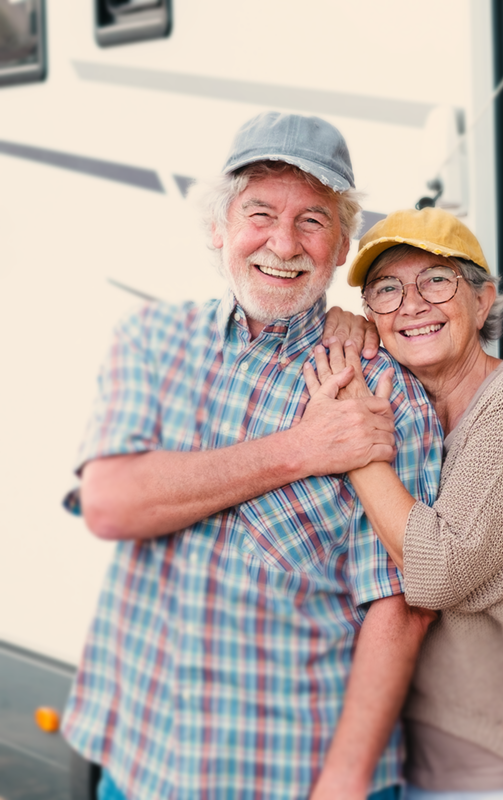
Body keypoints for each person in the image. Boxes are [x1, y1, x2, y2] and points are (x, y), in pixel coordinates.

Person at [62, 112, 441, 800]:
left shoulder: (378, 389)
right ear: (220, 228)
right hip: (141, 763)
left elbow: (402, 606)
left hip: (292, 772)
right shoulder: (153, 339)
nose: (283, 243)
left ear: (341, 245)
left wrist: (345, 781)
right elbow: (111, 505)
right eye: (259, 212)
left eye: (313, 220)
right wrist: (302, 448)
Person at [313, 208, 503, 800]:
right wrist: (337, 325)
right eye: (387, 290)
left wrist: (354, 446)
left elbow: (437, 569)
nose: (411, 304)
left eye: (436, 280)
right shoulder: (411, 405)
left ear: (483, 301)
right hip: (412, 764)